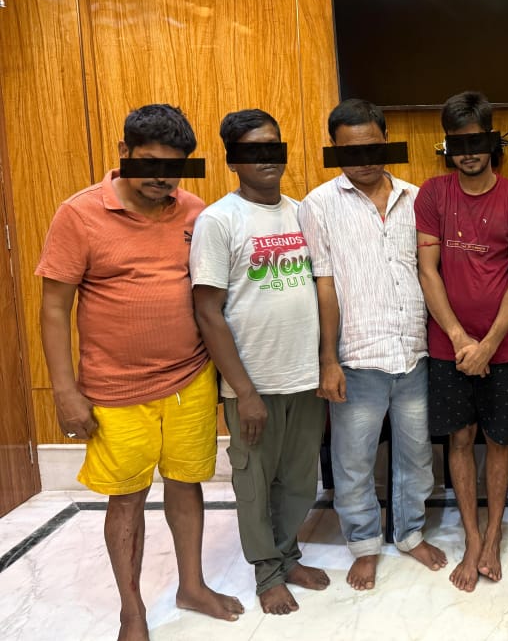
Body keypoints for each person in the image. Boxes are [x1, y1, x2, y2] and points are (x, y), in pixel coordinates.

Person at [37, 104, 244, 641]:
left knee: (187, 483)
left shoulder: (194, 211)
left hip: (189, 379)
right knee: (127, 497)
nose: (161, 178)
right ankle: (132, 609)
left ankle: (191, 586)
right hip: (115, 390)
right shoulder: (79, 214)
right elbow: (55, 308)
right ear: (124, 152)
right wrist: (64, 390)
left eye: (173, 168)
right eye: (149, 163)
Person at [299, 99, 447, 591]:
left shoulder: (416, 198)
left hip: (413, 353)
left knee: (417, 457)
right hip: (357, 358)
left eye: (371, 146)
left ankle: (408, 534)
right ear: (335, 149)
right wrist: (328, 360)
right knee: (354, 461)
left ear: (386, 142)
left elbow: (429, 272)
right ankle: (364, 544)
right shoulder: (318, 205)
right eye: (350, 150)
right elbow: (322, 284)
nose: (363, 159)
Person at [190, 109, 329, 614]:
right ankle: (267, 572)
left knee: (299, 481)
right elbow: (208, 312)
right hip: (253, 383)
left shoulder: (301, 212)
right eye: (253, 150)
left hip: (304, 378)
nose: (266, 158)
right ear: (233, 161)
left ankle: (288, 556)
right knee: (254, 482)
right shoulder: (218, 220)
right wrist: (244, 392)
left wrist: (325, 364)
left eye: (273, 146)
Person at [414, 91, 508, 592]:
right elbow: (428, 272)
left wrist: (487, 345)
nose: (468, 152)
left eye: (476, 141)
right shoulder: (432, 195)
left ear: (492, 141)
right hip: (447, 347)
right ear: (447, 146)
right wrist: (458, 338)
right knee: (460, 439)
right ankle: (471, 537)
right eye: (457, 143)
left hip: (504, 347)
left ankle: (493, 535)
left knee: (499, 440)